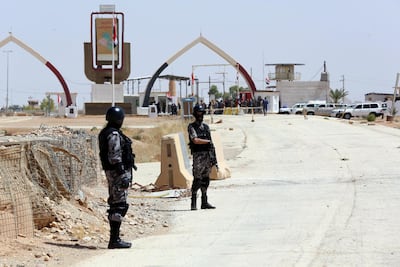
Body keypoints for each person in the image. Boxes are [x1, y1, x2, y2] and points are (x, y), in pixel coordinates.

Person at [98, 106, 137, 249]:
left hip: (114, 172)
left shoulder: (106, 132)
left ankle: (115, 238)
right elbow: (114, 156)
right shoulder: (113, 134)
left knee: (116, 204)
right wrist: (122, 174)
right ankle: (114, 240)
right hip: (117, 173)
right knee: (119, 205)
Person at [188, 104, 218, 210]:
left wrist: (214, 159)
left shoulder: (206, 127)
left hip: (207, 156)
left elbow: (211, 144)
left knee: (206, 179)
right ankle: (193, 202)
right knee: (197, 179)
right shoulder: (192, 127)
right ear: (195, 114)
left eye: (201, 113)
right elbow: (195, 140)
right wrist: (207, 141)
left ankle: (204, 202)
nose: (200, 115)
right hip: (198, 156)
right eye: (198, 113)